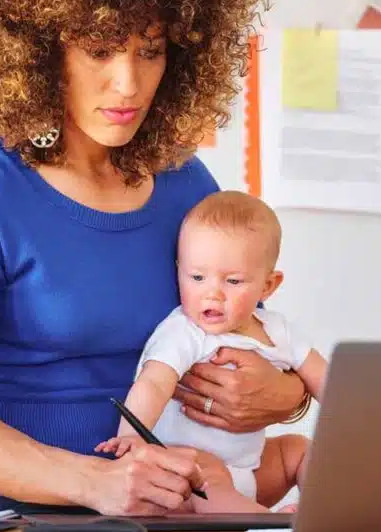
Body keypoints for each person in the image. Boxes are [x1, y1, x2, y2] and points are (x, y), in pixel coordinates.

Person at [0, 0, 313, 517]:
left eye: (151, 51)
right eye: (99, 51)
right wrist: (98, 483)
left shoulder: (185, 183)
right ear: (39, 50)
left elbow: (242, 334)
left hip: (156, 497)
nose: (128, 83)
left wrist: (288, 396)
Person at [96, 191, 327, 512]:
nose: (212, 294)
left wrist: (366, 424)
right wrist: (132, 436)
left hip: (251, 469)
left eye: (233, 281)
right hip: (190, 475)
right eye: (197, 277)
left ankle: (325, 511)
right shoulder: (184, 331)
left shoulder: (278, 330)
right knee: (207, 471)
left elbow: (327, 381)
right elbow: (153, 383)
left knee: (299, 449)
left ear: (267, 286)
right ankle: (268, 527)